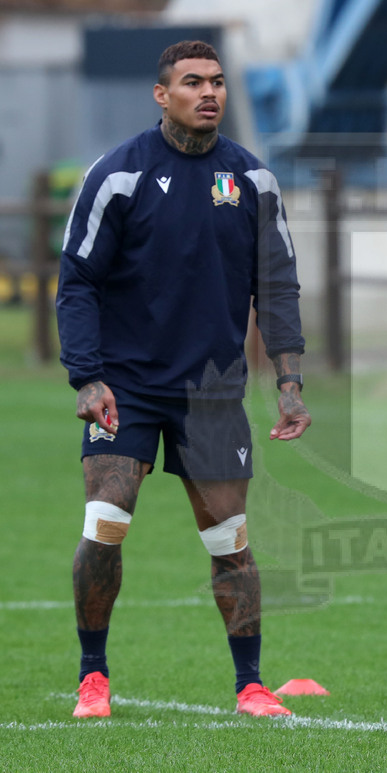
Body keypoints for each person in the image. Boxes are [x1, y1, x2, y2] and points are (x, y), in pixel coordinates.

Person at [56, 40, 311, 719]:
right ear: (161, 94)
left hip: (214, 393)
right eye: (193, 82)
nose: (210, 93)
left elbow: (277, 285)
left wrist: (289, 380)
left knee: (230, 541)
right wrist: (87, 376)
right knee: (106, 523)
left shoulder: (252, 180)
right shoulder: (119, 175)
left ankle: (251, 685)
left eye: (219, 82)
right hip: (126, 386)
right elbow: (77, 280)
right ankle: (93, 676)